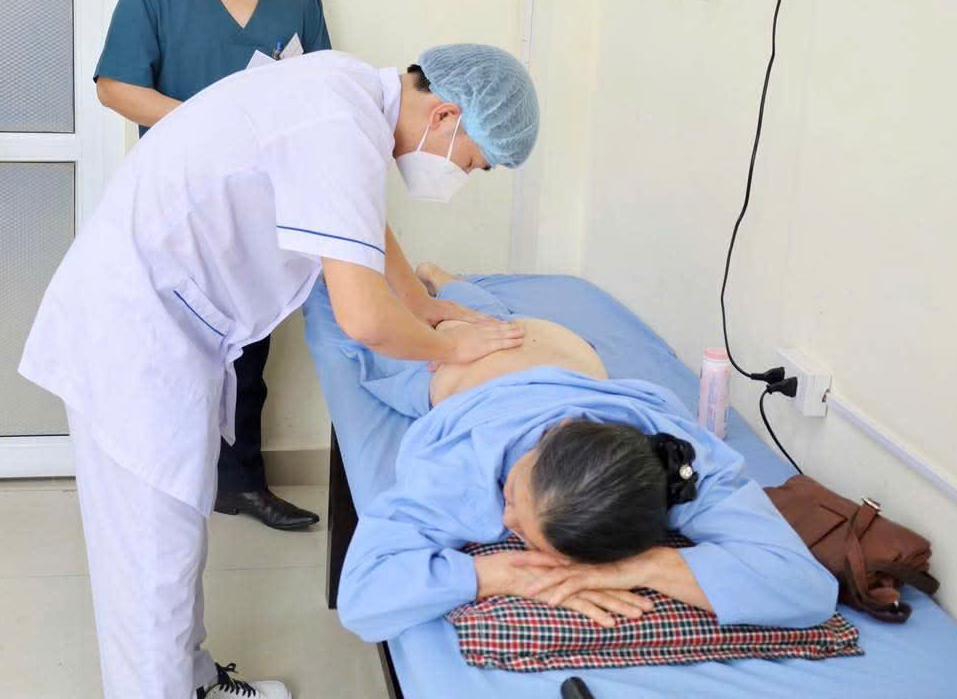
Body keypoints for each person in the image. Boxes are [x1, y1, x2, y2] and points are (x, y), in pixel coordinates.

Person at [20, 44, 540, 698]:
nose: (461, 176)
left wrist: (423, 304)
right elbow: (364, 321)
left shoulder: (349, 94)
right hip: (134, 329)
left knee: (175, 540)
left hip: (166, 317)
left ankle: (193, 682)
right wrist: (453, 348)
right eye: (471, 163)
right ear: (445, 116)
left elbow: (361, 221)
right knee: (152, 557)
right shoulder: (339, 123)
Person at [335, 271, 839, 643]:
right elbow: (362, 596)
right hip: (464, 361)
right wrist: (495, 574)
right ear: (557, 432)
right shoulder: (459, 467)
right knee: (401, 326)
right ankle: (441, 281)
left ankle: (450, 284)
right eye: (513, 495)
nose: (505, 520)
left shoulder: (678, 462)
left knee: (478, 312)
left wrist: (648, 566)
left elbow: (807, 588)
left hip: (553, 343)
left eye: (520, 526)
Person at [94, 0, 331, 531]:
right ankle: (166, 482)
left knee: (250, 354)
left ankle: (242, 482)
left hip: (260, 207)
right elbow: (115, 86)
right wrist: (208, 125)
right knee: (175, 353)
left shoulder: (298, 0)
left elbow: (320, 96)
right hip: (180, 204)